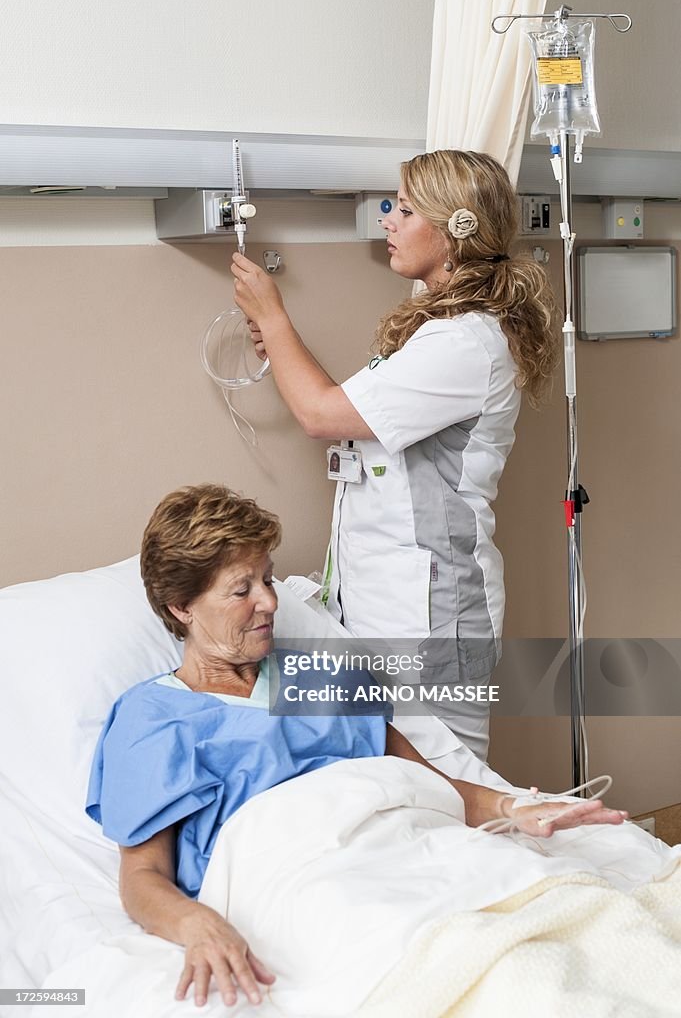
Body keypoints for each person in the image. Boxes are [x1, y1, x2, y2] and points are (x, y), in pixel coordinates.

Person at [86, 484, 625, 1010]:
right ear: (182, 607)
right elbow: (142, 877)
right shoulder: (152, 717)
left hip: (412, 845)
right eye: (241, 589)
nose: (269, 601)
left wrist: (514, 808)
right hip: (304, 880)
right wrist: (196, 923)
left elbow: (426, 783)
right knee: (470, 966)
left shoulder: (324, 676)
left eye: (268, 580)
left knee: (569, 928)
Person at [231, 149, 558, 761]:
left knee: (453, 792)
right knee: (398, 791)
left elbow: (320, 415)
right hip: (388, 603)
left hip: (432, 615)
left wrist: (275, 317)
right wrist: (279, 343)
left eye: (404, 210)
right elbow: (348, 409)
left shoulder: (464, 342)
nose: (387, 219)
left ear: (455, 228)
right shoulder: (440, 330)